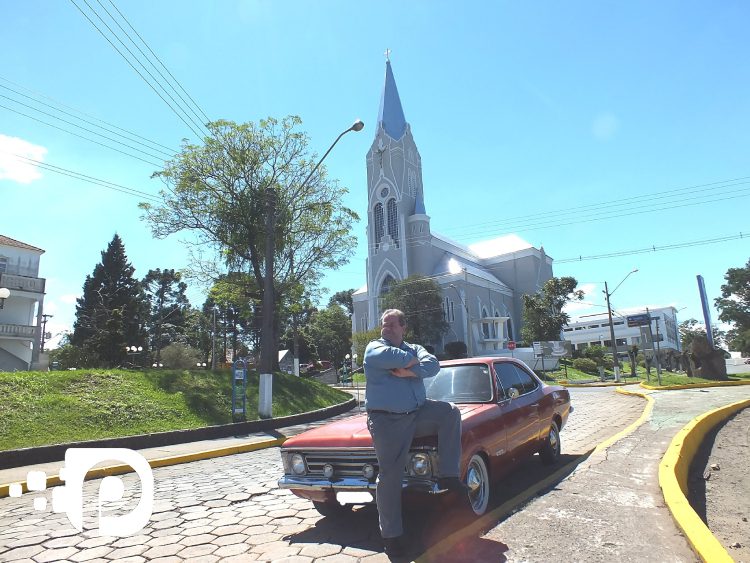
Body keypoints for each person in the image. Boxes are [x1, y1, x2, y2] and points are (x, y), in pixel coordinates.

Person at [364, 309, 465, 556]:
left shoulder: (414, 347)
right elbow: (393, 356)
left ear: (403, 327)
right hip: (388, 421)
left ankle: (449, 475)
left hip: (417, 412)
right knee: (390, 477)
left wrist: (410, 371)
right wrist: (414, 361)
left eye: (392, 325)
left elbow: (433, 365)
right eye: (384, 325)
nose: (386, 329)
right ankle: (392, 537)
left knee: (450, 412)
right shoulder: (374, 347)